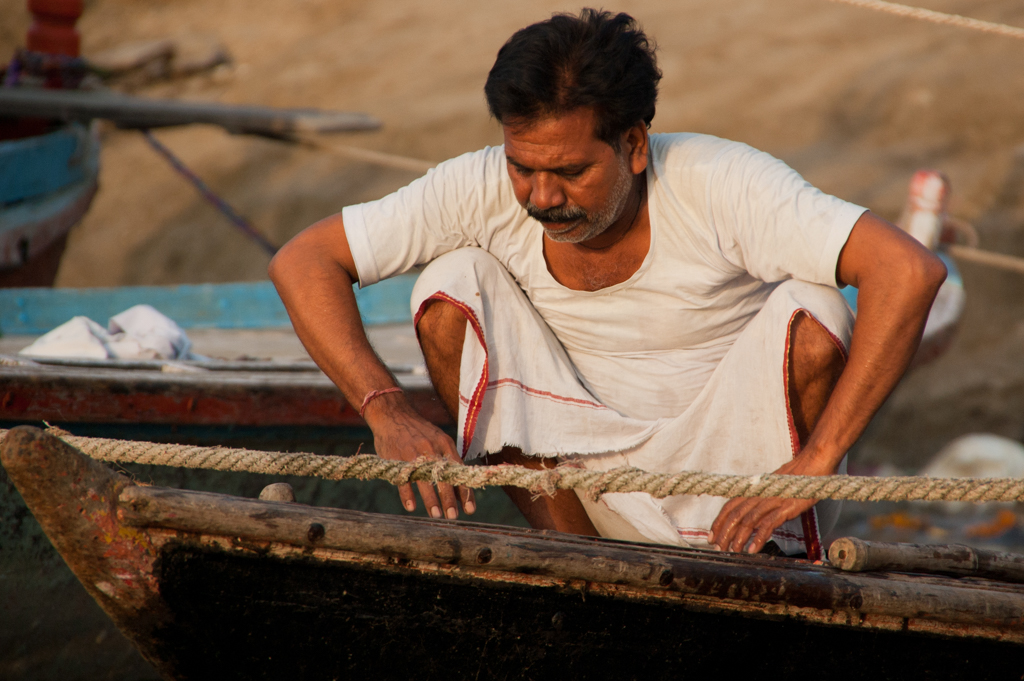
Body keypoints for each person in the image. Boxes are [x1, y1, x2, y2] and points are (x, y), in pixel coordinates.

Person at [269, 9, 946, 559]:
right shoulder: (476, 185)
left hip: (743, 491)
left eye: (570, 172)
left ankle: (766, 564)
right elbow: (304, 260)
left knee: (817, 308)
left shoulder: (722, 182)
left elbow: (908, 270)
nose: (540, 197)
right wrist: (385, 408)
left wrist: (820, 459)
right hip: (578, 486)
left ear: (634, 145)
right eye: (523, 168)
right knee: (450, 284)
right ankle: (575, 561)